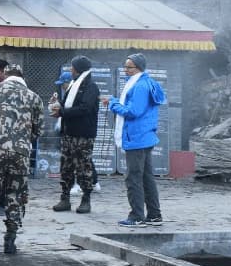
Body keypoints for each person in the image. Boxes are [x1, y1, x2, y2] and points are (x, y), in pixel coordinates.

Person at [0, 65, 44, 256]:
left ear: (5, 75)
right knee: (16, 193)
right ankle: (10, 240)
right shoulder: (34, 97)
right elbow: (38, 130)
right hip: (20, 152)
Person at [104, 53, 167, 227]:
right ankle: (154, 215)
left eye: (129, 67)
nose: (125, 70)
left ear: (137, 67)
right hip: (145, 136)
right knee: (147, 177)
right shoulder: (148, 82)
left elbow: (133, 112)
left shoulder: (139, 86)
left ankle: (137, 216)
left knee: (133, 178)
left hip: (136, 137)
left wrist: (113, 103)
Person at [50, 55, 100, 214]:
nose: (70, 70)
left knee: (83, 167)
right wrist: (58, 107)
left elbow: (85, 108)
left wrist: (63, 112)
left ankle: (86, 199)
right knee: (66, 167)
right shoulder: (73, 85)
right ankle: (65, 198)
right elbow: (66, 107)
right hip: (68, 134)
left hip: (83, 135)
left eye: (72, 67)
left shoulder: (91, 87)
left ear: (78, 69)